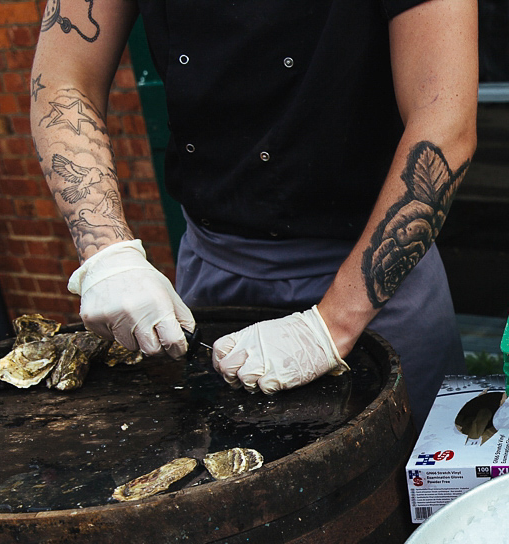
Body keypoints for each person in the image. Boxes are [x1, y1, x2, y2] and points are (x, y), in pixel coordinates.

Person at [29, 0, 478, 428]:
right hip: (215, 275)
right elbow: (63, 81)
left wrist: (330, 325)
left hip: (381, 282)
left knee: (420, 488)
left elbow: (443, 121)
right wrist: (107, 252)